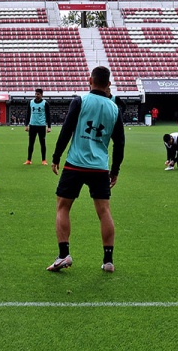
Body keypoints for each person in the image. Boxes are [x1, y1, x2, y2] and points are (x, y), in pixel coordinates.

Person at [47, 66, 125, 273]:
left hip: (75, 164)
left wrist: (56, 157)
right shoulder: (114, 108)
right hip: (99, 167)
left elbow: (66, 130)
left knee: (63, 206)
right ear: (109, 84)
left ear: (89, 80)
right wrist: (115, 170)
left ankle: (64, 255)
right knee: (104, 211)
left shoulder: (80, 101)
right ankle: (108, 260)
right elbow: (120, 143)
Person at [24, 88, 51, 165]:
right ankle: (28, 160)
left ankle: (44, 160)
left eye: (38, 94)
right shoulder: (31, 102)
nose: (36, 95)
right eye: (36, 94)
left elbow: (48, 115)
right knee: (31, 143)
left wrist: (49, 127)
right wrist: (26, 125)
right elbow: (28, 114)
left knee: (42, 143)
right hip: (32, 125)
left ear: (42, 95)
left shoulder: (45, 103)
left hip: (41, 126)